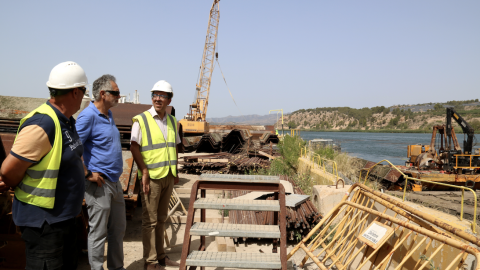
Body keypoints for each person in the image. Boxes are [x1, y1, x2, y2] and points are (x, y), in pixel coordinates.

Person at [0, 61, 88, 269]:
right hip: (44, 224)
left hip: (63, 219)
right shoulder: (43, 123)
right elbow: (8, 171)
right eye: (83, 93)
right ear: (75, 92)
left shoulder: (65, 120)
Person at [76, 74, 126, 270]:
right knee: (98, 233)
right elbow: (71, 149)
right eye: (116, 93)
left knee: (118, 230)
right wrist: (87, 174)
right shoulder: (88, 116)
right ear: (103, 94)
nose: (119, 96)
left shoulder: (109, 114)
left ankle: (116, 267)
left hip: (114, 182)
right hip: (98, 184)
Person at [130, 80, 181, 270]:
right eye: (155, 95)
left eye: (162, 95)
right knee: (150, 222)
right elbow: (134, 147)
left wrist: (175, 172)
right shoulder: (141, 120)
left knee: (161, 219)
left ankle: (161, 257)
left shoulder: (173, 121)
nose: (158, 98)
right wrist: (144, 171)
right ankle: (150, 262)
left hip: (168, 175)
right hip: (151, 177)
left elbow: (174, 147)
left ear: (169, 99)